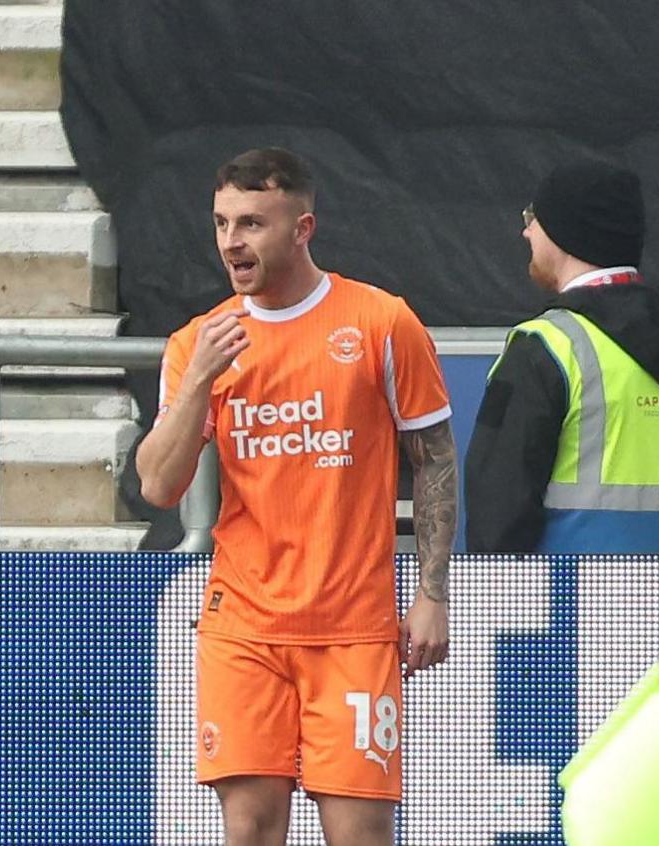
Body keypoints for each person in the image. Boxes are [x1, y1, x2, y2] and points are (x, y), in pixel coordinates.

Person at [135, 147, 457, 846]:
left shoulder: (380, 322)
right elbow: (159, 484)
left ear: (302, 228)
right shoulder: (200, 343)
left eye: (251, 223)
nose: (231, 241)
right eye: (221, 223)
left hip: (352, 627)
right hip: (244, 624)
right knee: (248, 827)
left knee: (360, 833)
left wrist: (432, 590)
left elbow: (433, 460)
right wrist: (199, 385)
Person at [463, 161, 659, 554]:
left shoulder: (546, 348)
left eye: (534, 218)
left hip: (570, 606)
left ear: (564, 234)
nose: (526, 231)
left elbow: (498, 508)